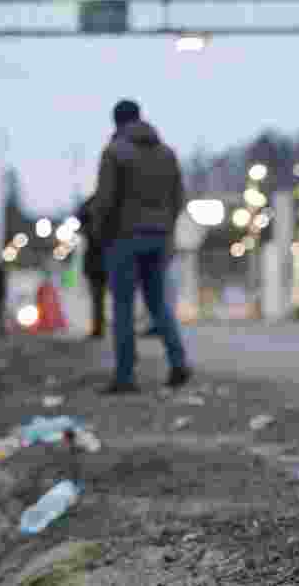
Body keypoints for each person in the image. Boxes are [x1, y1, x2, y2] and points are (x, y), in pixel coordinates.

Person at [89, 99, 191, 394]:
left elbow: (105, 201)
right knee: (158, 302)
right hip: (159, 237)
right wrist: (166, 228)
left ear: (116, 122)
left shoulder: (114, 152)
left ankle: (125, 376)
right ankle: (178, 362)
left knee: (123, 306)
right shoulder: (166, 153)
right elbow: (178, 197)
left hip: (124, 238)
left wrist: (99, 232)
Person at [77, 196, 108, 339]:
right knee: (102, 296)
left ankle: (99, 327)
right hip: (108, 255)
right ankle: (100, 326)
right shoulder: (108, 201)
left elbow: (79, 220)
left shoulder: (90, 206)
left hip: (97, 258)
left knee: (98, 296)